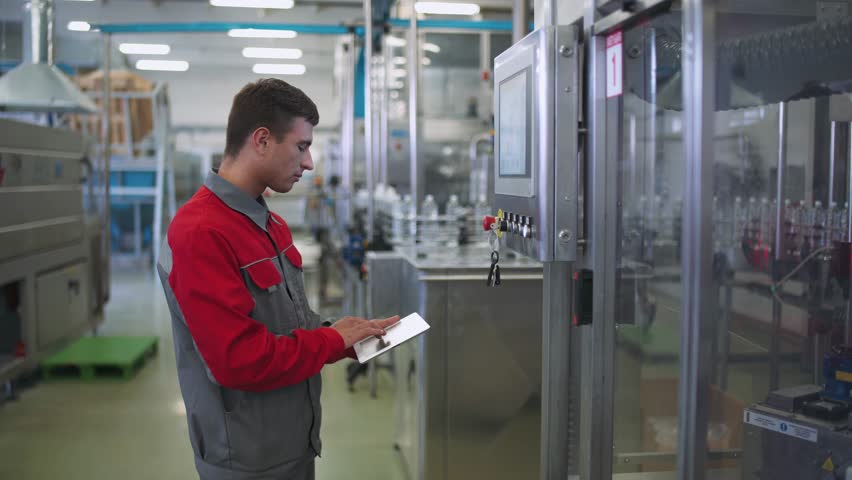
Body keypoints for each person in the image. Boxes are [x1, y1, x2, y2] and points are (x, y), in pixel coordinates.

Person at [157, 78, 399, 480]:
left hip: (292, 443)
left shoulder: (271, 224)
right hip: (247, 458)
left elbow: (288, 322)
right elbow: (238, 360)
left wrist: (342, 338)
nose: (309, 163)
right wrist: (329, 341)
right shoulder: (201, 232)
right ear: (263, 140)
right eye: (302, 146)